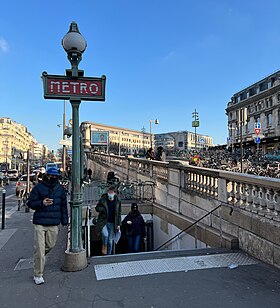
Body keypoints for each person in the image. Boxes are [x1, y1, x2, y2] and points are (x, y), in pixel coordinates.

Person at [28, 167, 68, 285]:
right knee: (40, 250)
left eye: (55, 176)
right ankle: (38, 274)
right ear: (47, 176)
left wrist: (64, 221)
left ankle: (38, 257)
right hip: (40, 222)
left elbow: (63, 206)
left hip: (53, 222)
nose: (53, 178)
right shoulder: (38, 188)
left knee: (50, 245)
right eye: (51, 176)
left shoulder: (60, 189)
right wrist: (42, 203)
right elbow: (30, 203)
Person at [95, 186, 121, 255]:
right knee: (105, 235)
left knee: (110, 240)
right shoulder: (103, 199)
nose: (110, 194)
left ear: (114, 193)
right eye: (109, 192)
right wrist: (102, 209)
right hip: (104, 222)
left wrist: (118, 224)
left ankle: (108, 254)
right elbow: (97, 208)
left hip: (113, 223)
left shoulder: (118, 201)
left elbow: (119, 213)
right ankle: (104, 245)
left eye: (111, 193)